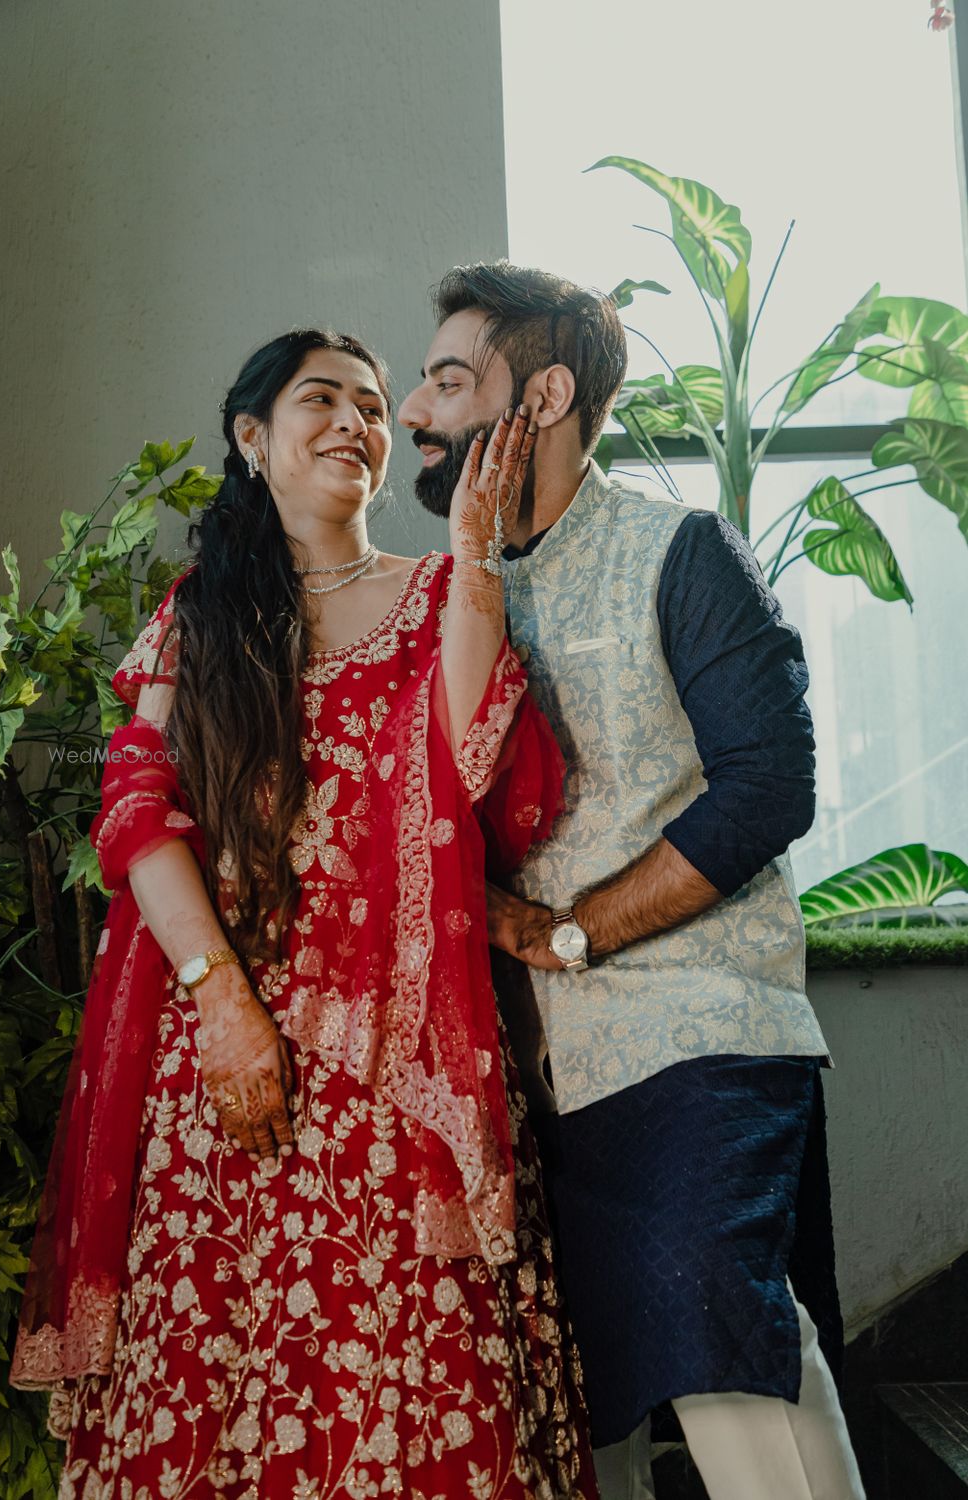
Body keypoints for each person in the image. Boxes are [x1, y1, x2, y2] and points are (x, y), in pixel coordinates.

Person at [10, 328, 600, 1499]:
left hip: (399, 1065)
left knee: (412, 1384)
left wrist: (475, 555)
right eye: (320, 399)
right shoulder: (202, 615)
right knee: (214, 1378)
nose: (354, 423)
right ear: (252, 437)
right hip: (222, 1069)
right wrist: (222, 1004)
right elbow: (135, 810)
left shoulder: (439, 593)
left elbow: (481, 761)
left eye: (374, 407)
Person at [399, 263, 867, 1500]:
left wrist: (568, 935)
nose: (411, 408)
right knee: (556, 1386)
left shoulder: (681, 551)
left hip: (692, 1027)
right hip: (514, 1062)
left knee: (709, 1308)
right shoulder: (446, 594)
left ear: (542, 396)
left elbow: (767, 787)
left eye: (450, 379)